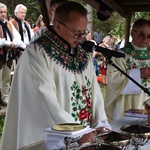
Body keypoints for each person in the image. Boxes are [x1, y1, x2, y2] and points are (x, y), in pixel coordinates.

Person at [1, 1, 111, 149]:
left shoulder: (83, 55)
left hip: (86, 136)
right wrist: (78, 132)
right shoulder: (37, 53)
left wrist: (101, 122)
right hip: (58, 139)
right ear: (58, 25)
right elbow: (43, 99)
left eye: (83, 32)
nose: (80, 37)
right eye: (75, 32)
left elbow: (95, 91)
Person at [105, 19, 150, 122]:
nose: (145, 39)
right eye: (141, 34)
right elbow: (113, 80)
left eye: (149, 36)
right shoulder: (121, 55)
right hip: (127, 103)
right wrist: (138, 73)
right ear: (132, 33)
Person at [0, 3, 26, 106]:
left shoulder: (9, 24)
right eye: (1, 12)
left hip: (8, 55)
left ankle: (5, 98)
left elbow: (17, 37)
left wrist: (17, 44)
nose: (3, 14)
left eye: (4, 12)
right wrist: (7, 43)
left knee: (6, 79)